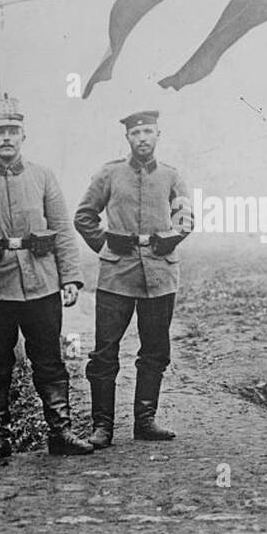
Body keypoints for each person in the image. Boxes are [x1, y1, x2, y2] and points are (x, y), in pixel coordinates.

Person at [0, 95, 91, 458]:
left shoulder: (43, 177)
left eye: (13, 131)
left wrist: (70, 277)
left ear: (24, 135)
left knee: (49, 359)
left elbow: (62, 230)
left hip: (41, 284)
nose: (6, 138)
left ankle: (60, 431)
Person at [74, 110, 194, 447]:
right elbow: (83, 216)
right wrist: (107, 243)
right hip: (117, 274)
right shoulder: (110, 174)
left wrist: (174, 235)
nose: (142, 138)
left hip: (160, 274)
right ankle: (103, 427)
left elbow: (186, 216)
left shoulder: (172, 176)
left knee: (155, 348)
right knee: (104, 352)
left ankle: (145, 420)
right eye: (136, 133)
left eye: (148, 132)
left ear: (159, 135)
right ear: (127, 138)